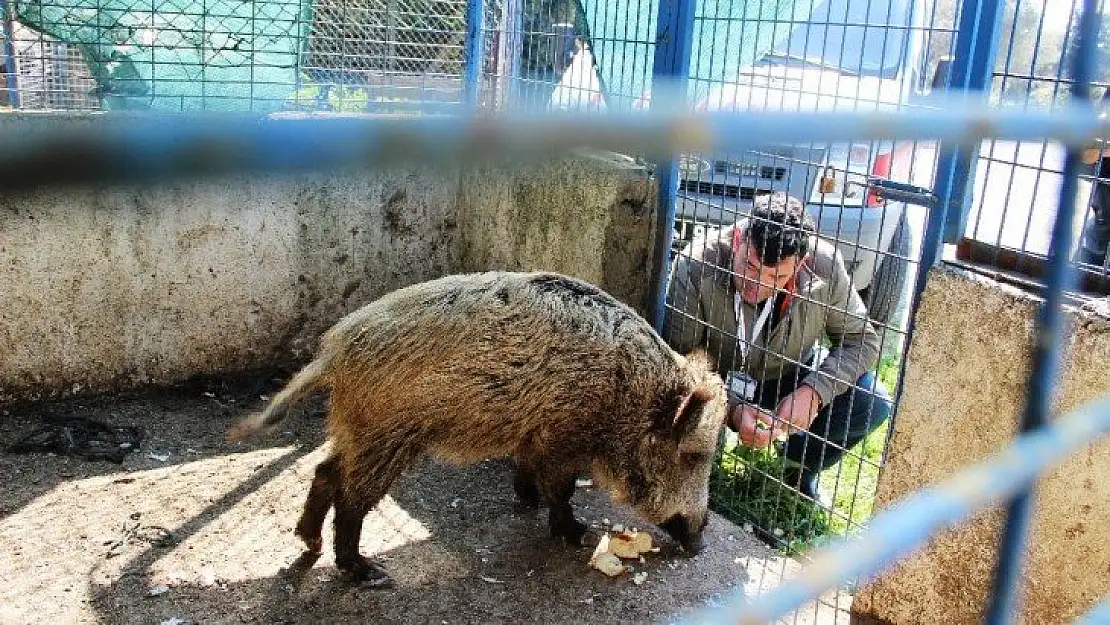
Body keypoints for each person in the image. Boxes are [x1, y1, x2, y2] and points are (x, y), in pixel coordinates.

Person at [662, 192, 892, 504]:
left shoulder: (827, 267)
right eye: (751, 266)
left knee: (872, 401)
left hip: (790, 376)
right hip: (716, 382)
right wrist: (731, 409)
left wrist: (814, 392)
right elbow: (682, 364)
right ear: (740, 239)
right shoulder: (695, 265)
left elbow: (862, 341)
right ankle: (705, 467)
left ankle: (797, 471)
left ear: (801, 264)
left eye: (778, 276)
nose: (759, 285)